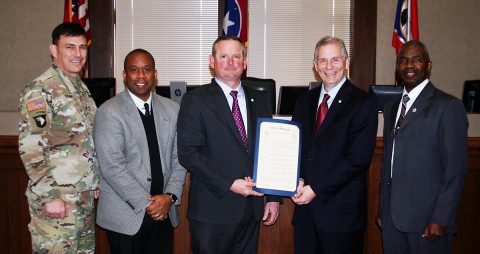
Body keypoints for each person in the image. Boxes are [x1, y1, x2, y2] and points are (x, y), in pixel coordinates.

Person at [177, 35, 281, 253]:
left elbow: (269, 152)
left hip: (251, 211)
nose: (231, 62)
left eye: (236, 56)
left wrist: (273, 198)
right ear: (212, 61)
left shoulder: (260, 99)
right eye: (223, 56)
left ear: (245, 62)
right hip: (212, 212)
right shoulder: (195, 100)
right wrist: (229, 183)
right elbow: (188, 153)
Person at [377, 40, 468, 254]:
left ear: (428, 66)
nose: (409, 65)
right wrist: (384, 209)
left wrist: (441, 218)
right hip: (392, 220)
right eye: (403, 60)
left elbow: (456, 170)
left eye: (416, 60)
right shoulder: (391, 108)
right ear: (397, 67)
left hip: (427, 221)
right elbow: (387, 163)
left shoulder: (448, 106)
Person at [291, 36, 378, 254]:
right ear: (315, 66)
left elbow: (357, 160)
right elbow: (294, 147)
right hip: (306, 215)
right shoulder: (304, 100)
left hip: (341, 217)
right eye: (322, 60)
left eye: (335, 60)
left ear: (347, 63)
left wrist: (316, 188)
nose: (329, 67)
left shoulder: (363, 103)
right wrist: (295, 179)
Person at [93, 49, 186, 254]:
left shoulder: (172, 109)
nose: (141, 76)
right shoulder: (108, 112)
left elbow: (179, 159)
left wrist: (169, 197)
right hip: (126, 217)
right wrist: (149, 204)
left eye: (147, 69)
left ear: (155, 74)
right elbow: (112, 167)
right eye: (134, 70)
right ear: (125, 75)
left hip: (164, 213)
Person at [18, 22, 99, 253]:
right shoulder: (41, 90)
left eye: (82, 48)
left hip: (81, 196)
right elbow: (31, 146)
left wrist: (94, 179)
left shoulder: (80, 88)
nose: (77, 54)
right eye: (70, 47)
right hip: (57, 197)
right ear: (54, 50)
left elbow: (85, 141)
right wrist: (49, 196)